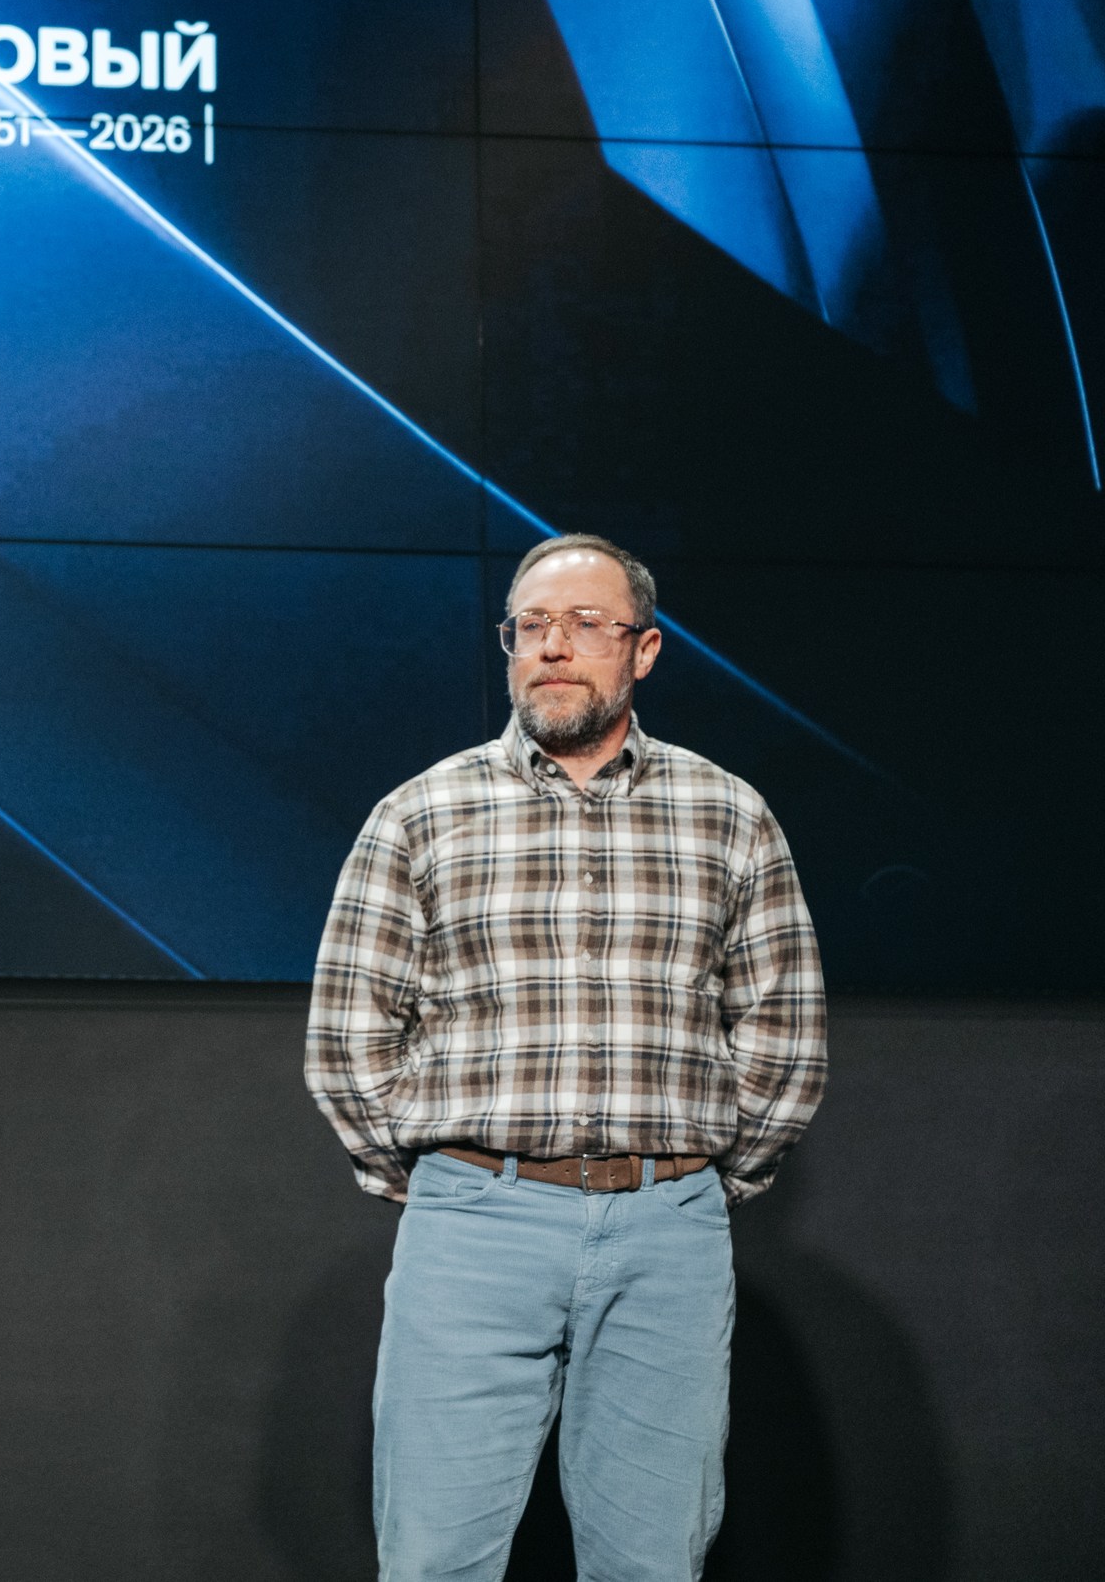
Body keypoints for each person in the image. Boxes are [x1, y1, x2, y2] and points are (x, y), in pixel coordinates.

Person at [304, 532, 825, 1581]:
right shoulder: (420, 813)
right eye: (531, 626)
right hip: (474, 1222)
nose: (553, 646)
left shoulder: (728, 815)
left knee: (652, 1562)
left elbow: (784, 1030)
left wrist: (700, 1180)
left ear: (643, 650)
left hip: (667, 1231)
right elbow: (348, 1036)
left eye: (586, 624)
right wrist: (444, 1178)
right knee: (434, 1559)